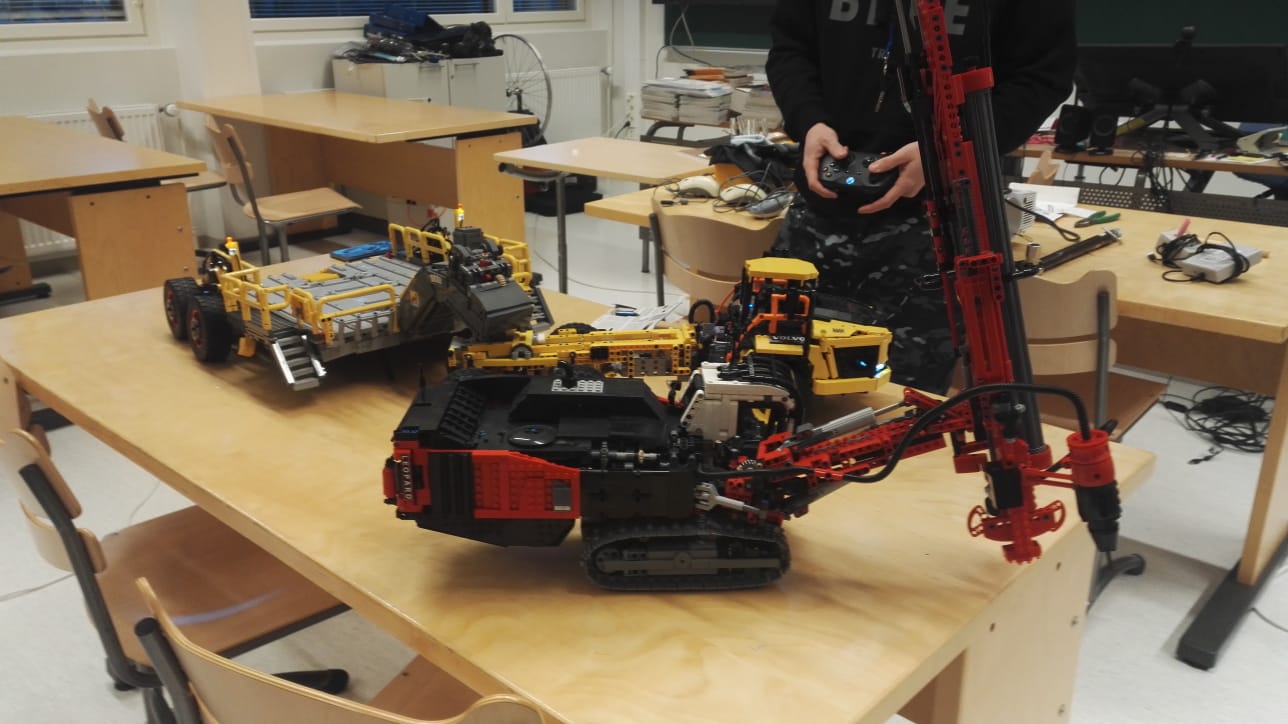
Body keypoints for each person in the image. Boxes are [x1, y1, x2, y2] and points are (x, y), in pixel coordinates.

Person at [766, 0, 1076, 393]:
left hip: (939, 223)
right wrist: (808, 120)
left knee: (906, 402)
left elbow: (1041, 76)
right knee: (780, 384)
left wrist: (945, 148)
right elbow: (790, 49)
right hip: (819, 207)